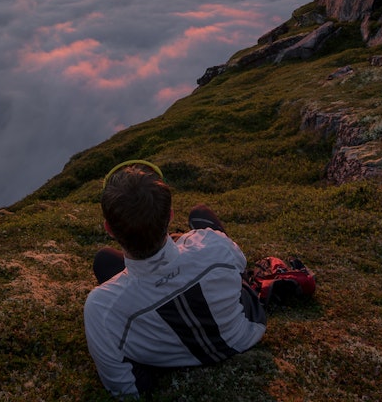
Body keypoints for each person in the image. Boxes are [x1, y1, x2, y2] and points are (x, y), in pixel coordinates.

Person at [83, 160, 266, 398]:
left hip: (164, 359)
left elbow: (123, 387)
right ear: (169, 215)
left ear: (109, 229)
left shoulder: (100, 307)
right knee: (200, 213)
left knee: (104, 260)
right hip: (243, 336)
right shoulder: (213, 244)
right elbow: (240, 265)